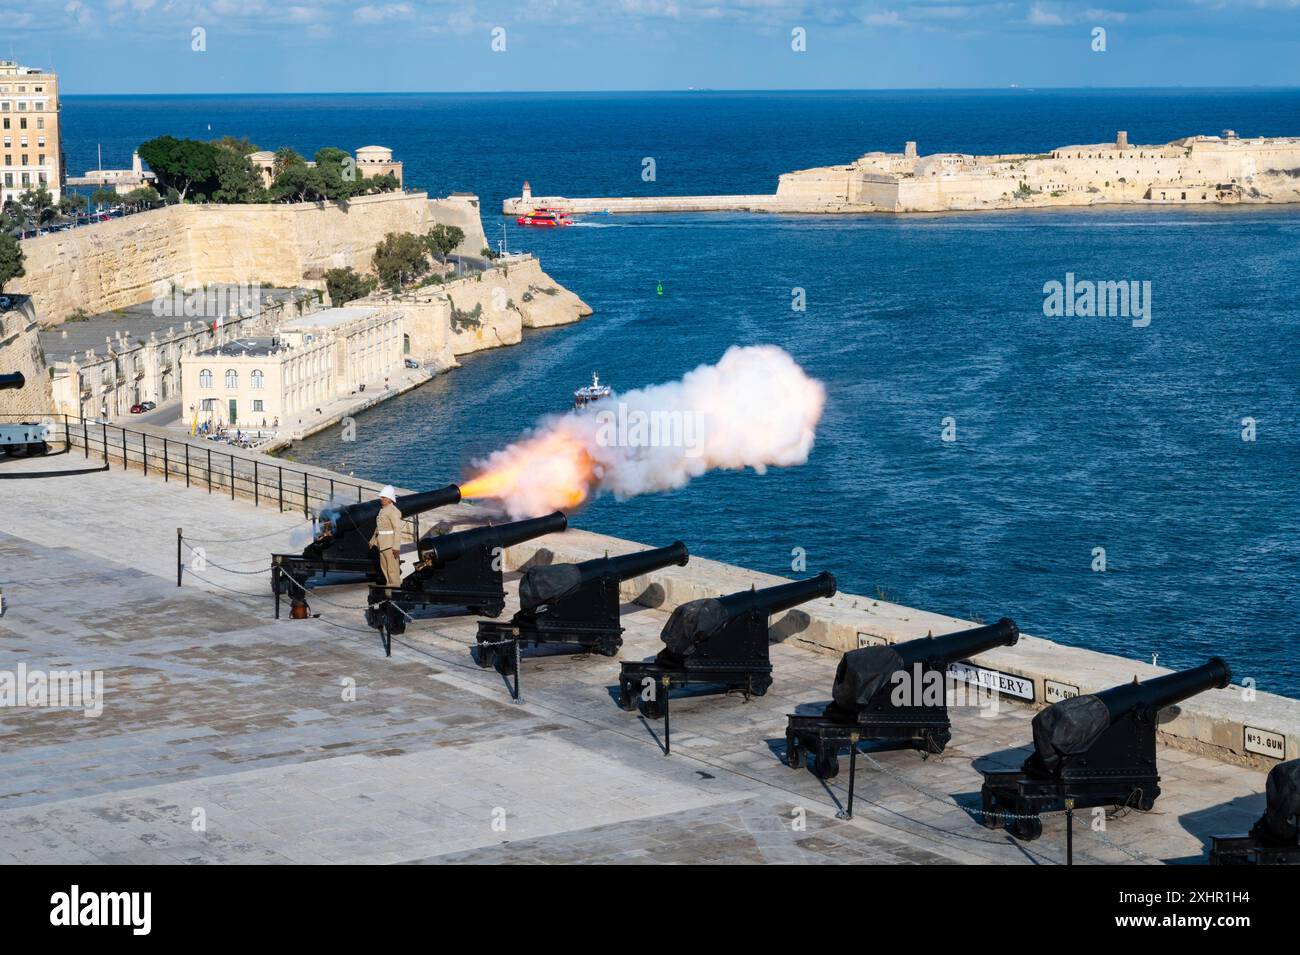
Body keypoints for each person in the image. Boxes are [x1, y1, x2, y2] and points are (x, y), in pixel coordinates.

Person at [370, 485, 403, 588]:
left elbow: (397, 530)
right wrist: (372, 540)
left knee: (392, 571)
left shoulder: (393, 511)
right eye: (381, 497)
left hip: (390, 545)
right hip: (382, 544)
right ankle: (389, 588)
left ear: (389, 499)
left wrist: (396, 547)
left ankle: (394, 590)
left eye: (383, 497)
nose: (381, 499)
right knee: (385, 569)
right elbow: (379, 528)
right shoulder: (382, 510)